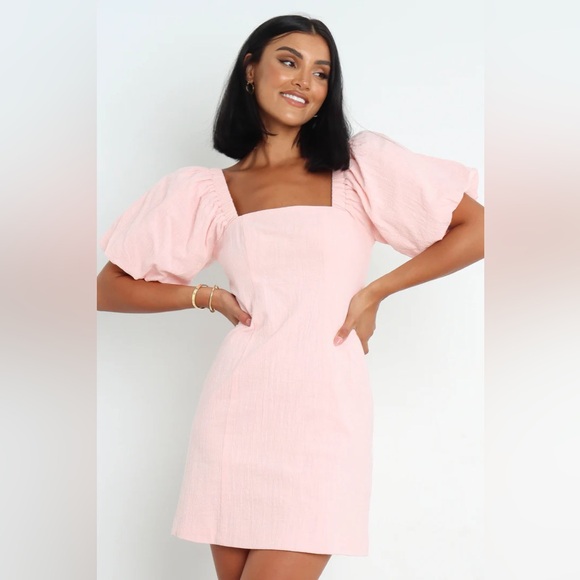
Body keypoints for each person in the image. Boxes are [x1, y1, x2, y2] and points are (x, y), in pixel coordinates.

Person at [97, 13, 484, 580]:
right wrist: (205, 296)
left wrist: (376, 291)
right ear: (251, 70)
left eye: (321, 72)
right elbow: (108, 286)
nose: (306, 80)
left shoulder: (358, 168)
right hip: (236, 412)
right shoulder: (209, 191)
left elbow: (478, 228)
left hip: (324, 414)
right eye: (289, 61)